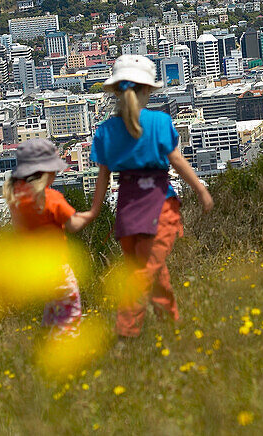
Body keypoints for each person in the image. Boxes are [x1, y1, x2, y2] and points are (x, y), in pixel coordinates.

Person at [90, 54, 213, 338]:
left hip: (127, 208)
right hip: (159, 206)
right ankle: (126, 333)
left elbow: (103, 176)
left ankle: (170, 327)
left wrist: (94, 211)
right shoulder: (159, 122)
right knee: (147, 271)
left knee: (151, 270)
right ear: (147, 90)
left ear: (116, 91)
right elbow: (178, 162)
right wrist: (202, 191)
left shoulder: (106, 130)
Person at [2, 137, 102, 334]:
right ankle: (66, 354)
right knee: (69, 318)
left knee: (52, 310)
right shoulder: (51, 198)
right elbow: (72, 225)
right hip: (58, 269)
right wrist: (91, 214)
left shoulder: (17, 201)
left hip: (38, 272)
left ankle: (45, 342)